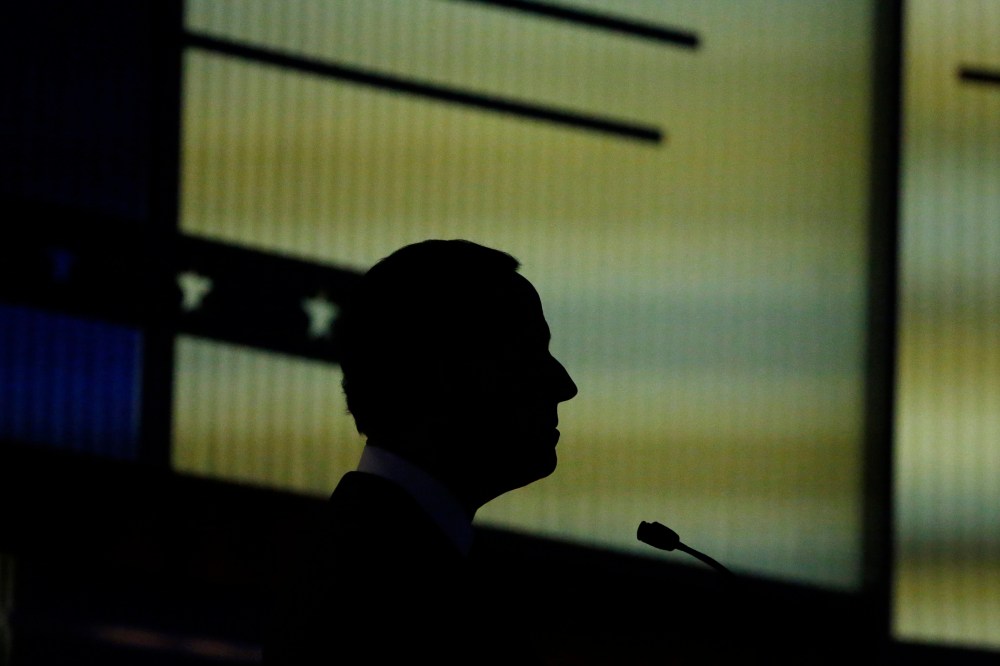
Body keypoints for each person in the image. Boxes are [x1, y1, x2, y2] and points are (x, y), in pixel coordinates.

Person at [263, 239, 578, 664]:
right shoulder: (377, 582)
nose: (563, 385)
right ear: (442, 373)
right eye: (526, 354)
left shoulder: (373, 554)